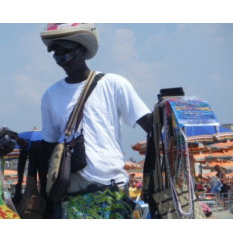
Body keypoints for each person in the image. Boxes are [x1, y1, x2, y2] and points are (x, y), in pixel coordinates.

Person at [39, 23, 152, 218]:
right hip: (72, 191)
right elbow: (48, 146)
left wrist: (169, 110)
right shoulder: (50, 95)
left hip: (111, 185)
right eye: (57, 56)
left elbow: (149, 124)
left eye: (66, 54)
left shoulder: (114, 83)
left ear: (82, 50)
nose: (62, 61)